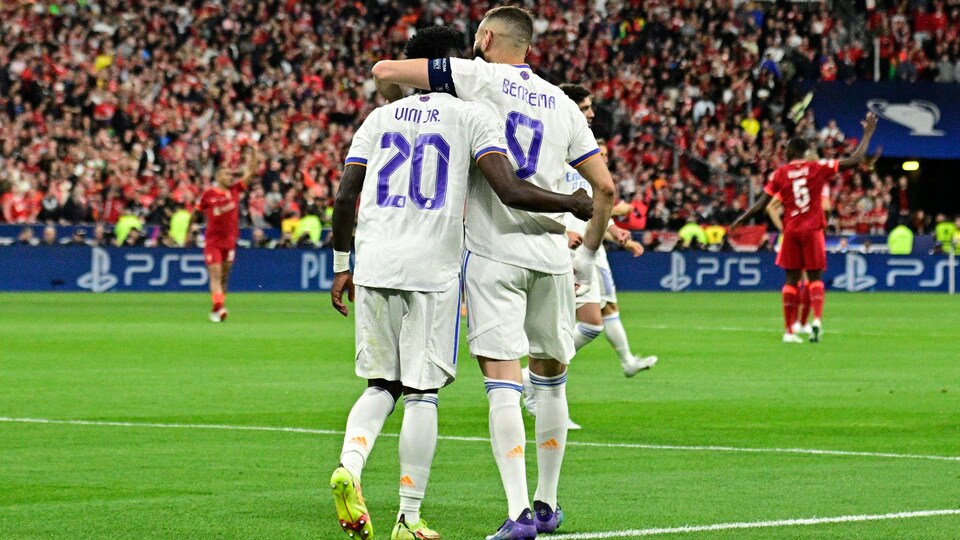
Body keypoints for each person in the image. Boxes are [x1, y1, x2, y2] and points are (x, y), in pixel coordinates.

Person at [330, 26, 593, 540]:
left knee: (381, 382)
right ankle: (408, 517)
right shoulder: (471, 115)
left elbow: (344, 199)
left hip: (375, 262)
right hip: (433, 266)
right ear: (453, 67)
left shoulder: (377, 119)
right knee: (422, 394)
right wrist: (571, 206)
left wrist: (343, 263)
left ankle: (350, 466)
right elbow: (509, 189)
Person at [522, 85, 656, 431]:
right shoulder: (548, 145)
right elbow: (527, 194)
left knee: (589, 324)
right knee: (565, 329)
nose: (592, 113)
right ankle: (542, 394)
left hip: (585, 251)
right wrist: (558, 230)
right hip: (556, 249)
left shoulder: (582, 149)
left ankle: (532, 381)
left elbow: (596, 201)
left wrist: (613, 231)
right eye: (585, 107)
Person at [732, 112, 878, 343]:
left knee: (790, 280)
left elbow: (762, 204)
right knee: (815, 279)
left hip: (790, 230)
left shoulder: (779, 174)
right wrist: (868, 133)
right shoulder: (817, 168)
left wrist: (742, 217)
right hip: (812, 230)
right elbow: (854, 160)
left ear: (789, 153)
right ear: (803, 153)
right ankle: (816, 321)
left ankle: (789, 331)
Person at [195, 148, 259, 322]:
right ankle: (219, 307)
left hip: (230, 241)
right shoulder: (208, 195)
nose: (230, 177)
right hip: (213, 241)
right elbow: (196, 212)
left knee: (224, 277)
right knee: (215, 275)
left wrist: (253, 154)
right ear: (218, 177)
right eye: (226, 174)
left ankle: (217, 308)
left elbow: (252, 172)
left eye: (231, 174)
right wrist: (189, 231)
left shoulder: (236, 190)